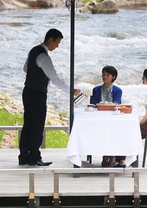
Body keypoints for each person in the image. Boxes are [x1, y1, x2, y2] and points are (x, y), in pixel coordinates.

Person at [19, 28, 82, 167]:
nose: (57, 46)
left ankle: (23, 156)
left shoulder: (33, 51)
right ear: (50, 40)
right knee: (37, 126)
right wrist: (71, 90)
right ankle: (34, 157)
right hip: (38, 94)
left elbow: (25, 69)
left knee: (28, 124)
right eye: (57, 42)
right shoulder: (44, 57)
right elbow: (55, 79)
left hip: (27, 91)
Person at [90, 65, 123, 167]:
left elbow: (116, 104)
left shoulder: (118, 90)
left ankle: (112, 156)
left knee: (113, 130)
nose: (104, 77)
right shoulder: (96, 89)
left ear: (113, 77)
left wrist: (103, 105)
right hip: (99, 117)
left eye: (108, 75)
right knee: (103, 130)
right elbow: (94, 104)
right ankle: (105, 156)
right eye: (103, 74)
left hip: (113, 117)